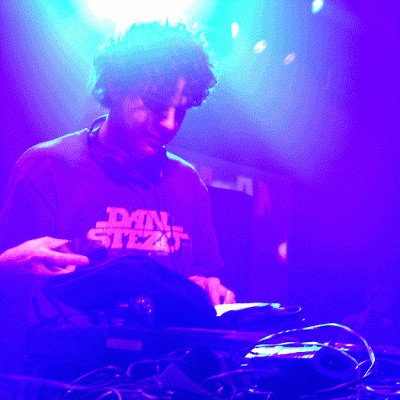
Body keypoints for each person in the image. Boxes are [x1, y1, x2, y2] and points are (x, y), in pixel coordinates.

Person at [0, 21, 235, 334]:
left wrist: (209, 288)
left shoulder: (187, 183)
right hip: (66, 363)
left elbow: (205, 276)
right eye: (156, 105)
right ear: (115, 86)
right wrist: (7, 265)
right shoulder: (43, 167)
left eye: (180, 111)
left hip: (167, 363)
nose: (169, 124)